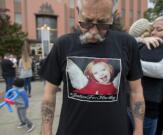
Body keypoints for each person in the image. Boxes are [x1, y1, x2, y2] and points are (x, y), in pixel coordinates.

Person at [40, 0, 145, 135]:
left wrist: (139, 130)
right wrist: (47, 132)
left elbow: (136, 91)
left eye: (102, 23)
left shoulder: (127, 43)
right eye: (87, 22)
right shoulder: (63, 44)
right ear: (78, 13)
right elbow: (49, 93)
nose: (94, 30)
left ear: (112, 17)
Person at [129, 16, 163, 135]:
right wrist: (141, 40)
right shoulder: (158, 46)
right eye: (153, 29)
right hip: (159, 104)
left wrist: (132, 63)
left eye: (159, 29)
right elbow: (129, 40)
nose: (153, 32)